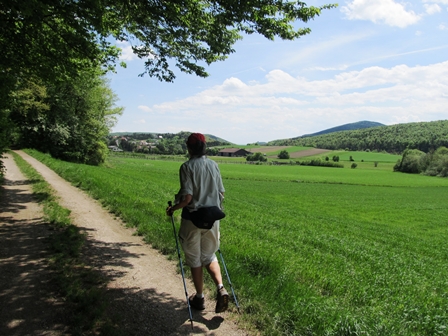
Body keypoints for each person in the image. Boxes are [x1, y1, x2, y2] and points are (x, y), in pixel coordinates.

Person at [166, 132, 229, 313]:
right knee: (209, 256)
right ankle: (220, 288)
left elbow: (187, 198)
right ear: (204, 147)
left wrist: (173, 209)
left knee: (194, 258)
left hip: (192, 219)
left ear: (189, 148)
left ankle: (199, 298)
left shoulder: (187, 167)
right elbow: (221, 194)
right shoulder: (214, 165)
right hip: (213, 218)